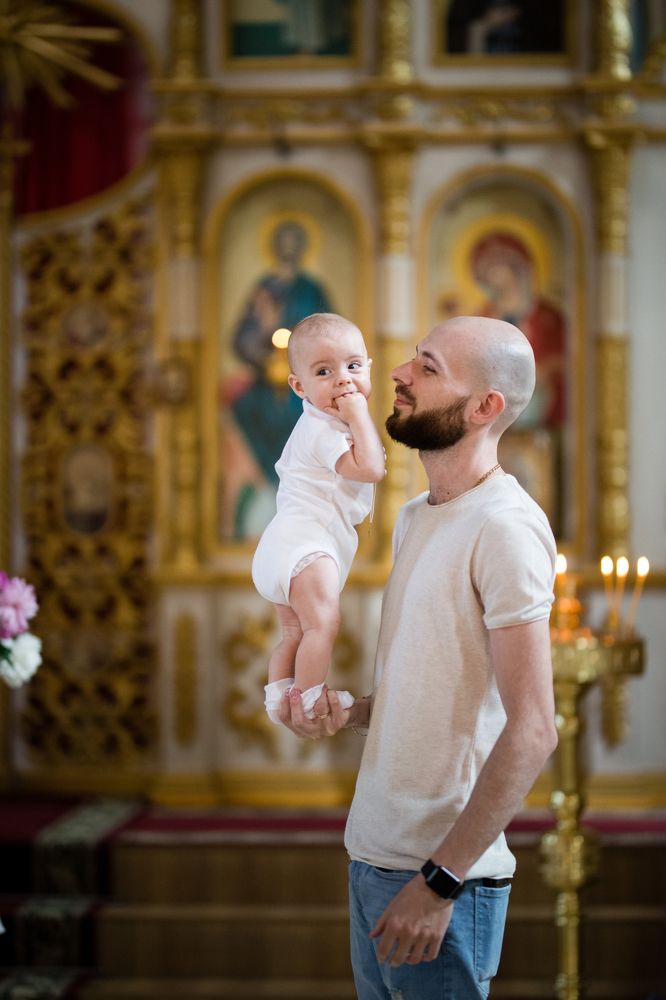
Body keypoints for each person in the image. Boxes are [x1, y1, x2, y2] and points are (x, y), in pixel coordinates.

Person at [278, 315, 559, 998]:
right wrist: (351, 712)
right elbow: (434, 691)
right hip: (373, 855)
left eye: (428, 368)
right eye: (411, 360)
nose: (398, 375)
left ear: (485, 406)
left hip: (438, 879)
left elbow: (533, 730)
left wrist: (439, 882)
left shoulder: (505, 527)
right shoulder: (414, 515)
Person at [252, 312, 386, 723]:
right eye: (324, 372)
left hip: (281, 546)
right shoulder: (323, 430)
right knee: (322, 626)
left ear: (369, 368)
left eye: (353, 366)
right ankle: (309, 700)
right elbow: (371, 468)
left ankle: (279, 699)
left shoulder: (318, 424)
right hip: (306, 546)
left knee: (295, 632)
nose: (343, 380)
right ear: (299, 386)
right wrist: (360, 415)